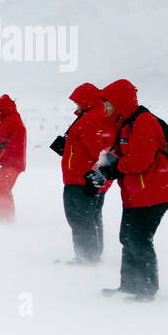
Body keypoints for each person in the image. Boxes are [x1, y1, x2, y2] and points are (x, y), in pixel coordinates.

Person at [96, 79, 168, 301]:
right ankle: (131, 285)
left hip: (154, 192)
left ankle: (146, 289)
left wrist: (117, 167)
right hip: (137, 193)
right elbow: (123, 154)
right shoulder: (127, 122)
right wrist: (106, 167)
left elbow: (141, 160)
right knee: (128, 237)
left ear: (120, 101)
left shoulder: (143, 122)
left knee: (139, 238)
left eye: (109, 103)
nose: (106, 108)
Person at [58, 83, 115, 264]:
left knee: (79, 217)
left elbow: (97, 150)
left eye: (78, 102)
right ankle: (93, 254)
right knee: (92, 216)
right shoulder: (99, 116)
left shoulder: (89, 120)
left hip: (81, 178)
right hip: (91, 178)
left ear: (86, 100)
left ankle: (86, 257)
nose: (76, 106)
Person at [0, 94, 26, 222]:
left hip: (11, 162)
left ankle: (6, 222)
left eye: (0, 109)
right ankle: (8, 220)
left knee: (0, 192)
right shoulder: (14, 118)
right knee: (5, 192)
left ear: (5, 108)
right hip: (14, 162)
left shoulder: (10, 119)